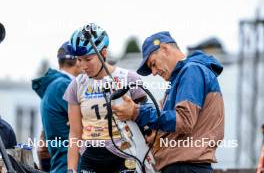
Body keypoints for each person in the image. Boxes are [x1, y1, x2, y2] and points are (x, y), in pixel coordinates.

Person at [112, 31, 225, 173]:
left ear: (165, 49)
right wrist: (156, 134)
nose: (153, 72)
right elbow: (179, 121)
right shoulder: (182, 78)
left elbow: (183, 121)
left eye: (153, 64)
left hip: (186, 167)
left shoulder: (191, 71)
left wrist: (137, 112)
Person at [63, 23, 147, 173]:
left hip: (125, 155)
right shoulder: (77, 85)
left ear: (103, 53)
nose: (83, 66)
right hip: (91, 157)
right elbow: (75, 133)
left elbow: (146, 123)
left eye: (88, 59)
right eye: (79, 60)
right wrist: (71, 169)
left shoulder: (129, 78)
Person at [32, 42, 81, 173]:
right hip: (70, 165)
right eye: (84, 58)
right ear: (77, 61)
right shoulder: (65, 86)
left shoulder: (54, 85)